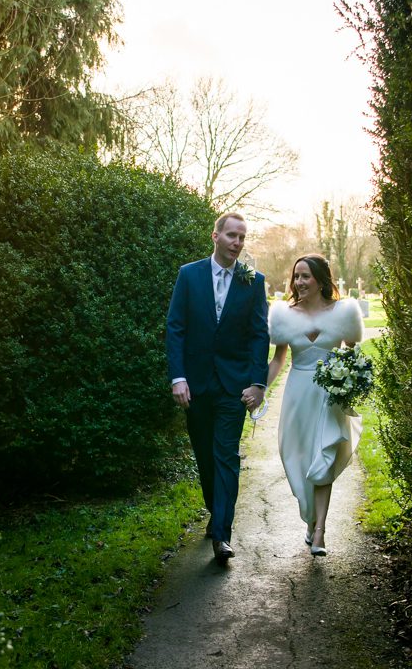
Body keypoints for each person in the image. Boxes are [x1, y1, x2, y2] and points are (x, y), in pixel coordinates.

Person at [166, 213, 270, 563]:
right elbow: (176, 327)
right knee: (205, 457)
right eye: (231, 236)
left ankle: (222, 534)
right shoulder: (189, 275)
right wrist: (177, 377)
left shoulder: (253, 282)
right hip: (195, 385)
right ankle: (216, 511)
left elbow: (259, 334)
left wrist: (258, 383)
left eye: (242, 237)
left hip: (232, 386)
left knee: (226, 455)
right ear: (215, 236)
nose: (237, 243)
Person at [265, 253, 364, 556]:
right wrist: (260, 388)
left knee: (323, 458)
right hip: (297, 395)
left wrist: (348, 380)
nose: (300, 282)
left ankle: (319, 531)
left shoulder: (344, 312)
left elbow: (352, 355)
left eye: (305, 276)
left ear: (321, 280)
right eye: (296, 276)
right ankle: (310, 520)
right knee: (295, 459)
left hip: (328, 396)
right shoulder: (284, 315)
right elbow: (279, 359)